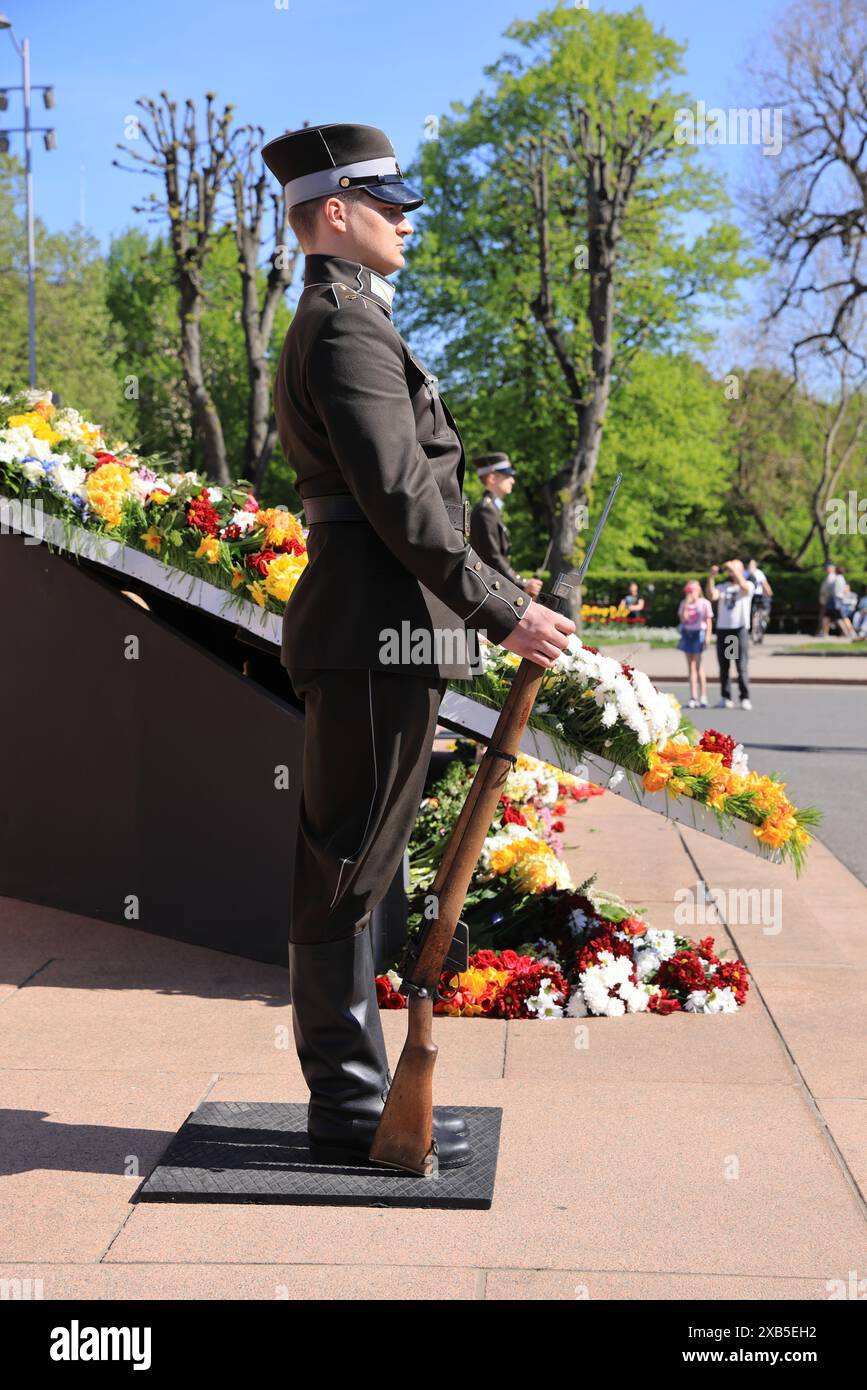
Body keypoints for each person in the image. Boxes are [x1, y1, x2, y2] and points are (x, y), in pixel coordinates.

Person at [260, 122, 574, 1170]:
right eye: (387, 206)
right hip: (372, 629)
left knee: (361, 858)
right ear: (334, 213)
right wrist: (500, 609)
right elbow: (400, 499)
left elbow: (411, 497)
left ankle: (354, 1095)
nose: (406, 223)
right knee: (347, 863)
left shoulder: (350, 319)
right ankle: (350, 1106)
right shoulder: (344, 327)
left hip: (379, 627)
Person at [469, 453, 543, 599]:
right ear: (492, 478)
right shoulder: (486, 511)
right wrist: (522, 584)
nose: (513, 481)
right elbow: (493, 559)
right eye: (507, 475)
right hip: (488, 593)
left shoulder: (491, 509)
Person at [706, 559, 755, 709]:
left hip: (738, 630)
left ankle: (744, 697)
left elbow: (745, 587)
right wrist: (711, 577)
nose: (730, 572)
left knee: (741, 665)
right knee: (725, 665)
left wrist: (734, 569)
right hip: (724, 630)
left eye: (734, 569)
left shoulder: (747, 585)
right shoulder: (723, 587)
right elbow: (711, 595)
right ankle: (725, 697)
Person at [676, 580, 713, 708]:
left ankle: (703, 696)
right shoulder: (683, 604)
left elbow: (708, 621)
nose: (691, 594)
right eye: (689, 592)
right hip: (687, 634)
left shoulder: (704, 603)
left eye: (693, 591)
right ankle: (693, 696)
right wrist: (686, 604)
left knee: (699, 666)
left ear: (698, 590)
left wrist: (708, 637)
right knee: (690, 667)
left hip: (699, 634)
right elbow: (683, 620)